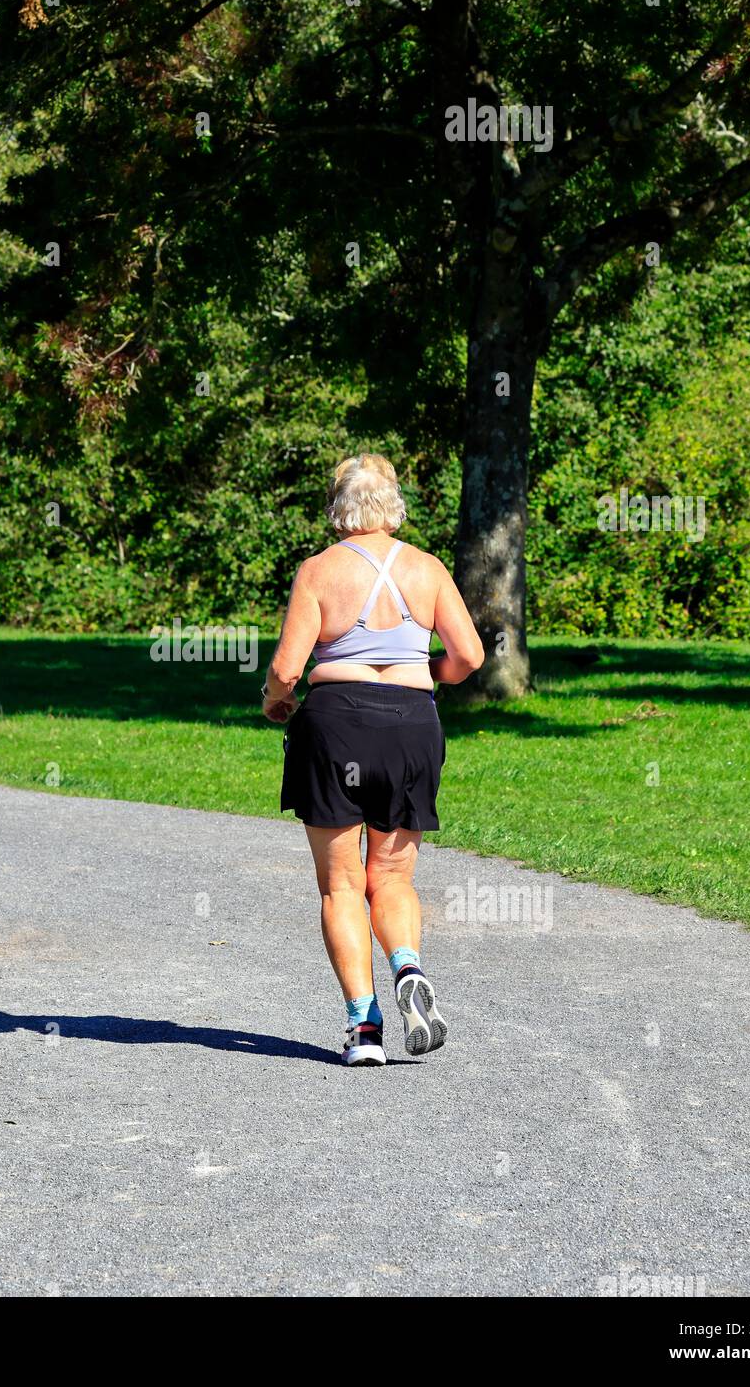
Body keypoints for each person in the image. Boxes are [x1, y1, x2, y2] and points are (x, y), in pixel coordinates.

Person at [261, 454, 485, 1065]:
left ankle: (364, 1029)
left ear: (337, 508)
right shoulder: (428, 568)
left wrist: (275, 701)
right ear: (393, 504)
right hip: (412, 727)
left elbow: (286, 669)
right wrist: (420, 675)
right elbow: (469, 658)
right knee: (391, 877)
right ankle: (407, 967)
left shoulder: (318, 570)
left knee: (341, 886)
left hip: (336, 724)